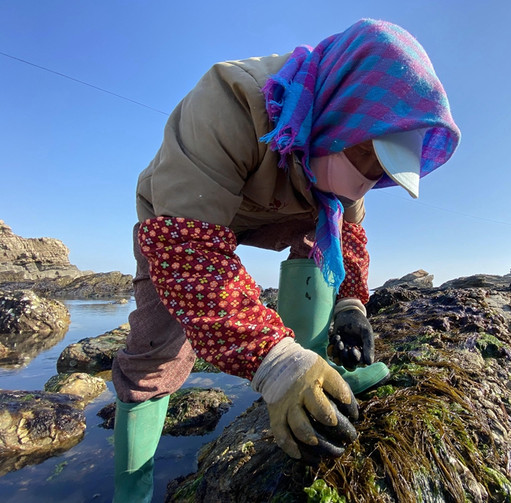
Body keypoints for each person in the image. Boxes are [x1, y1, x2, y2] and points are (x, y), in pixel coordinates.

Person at [111, 18, 460, 501]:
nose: (366, 178)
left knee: (327, 236)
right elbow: (187, 252)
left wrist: (352, 308)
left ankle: (316, 378)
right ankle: (132, 488)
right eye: (365, 156)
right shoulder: (231, 99)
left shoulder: (343, 157)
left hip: (289, 199)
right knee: (158, 341)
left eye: (382, 170)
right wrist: (273, 364)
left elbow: (350, 241)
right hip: (182, 212)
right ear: (341, 109)